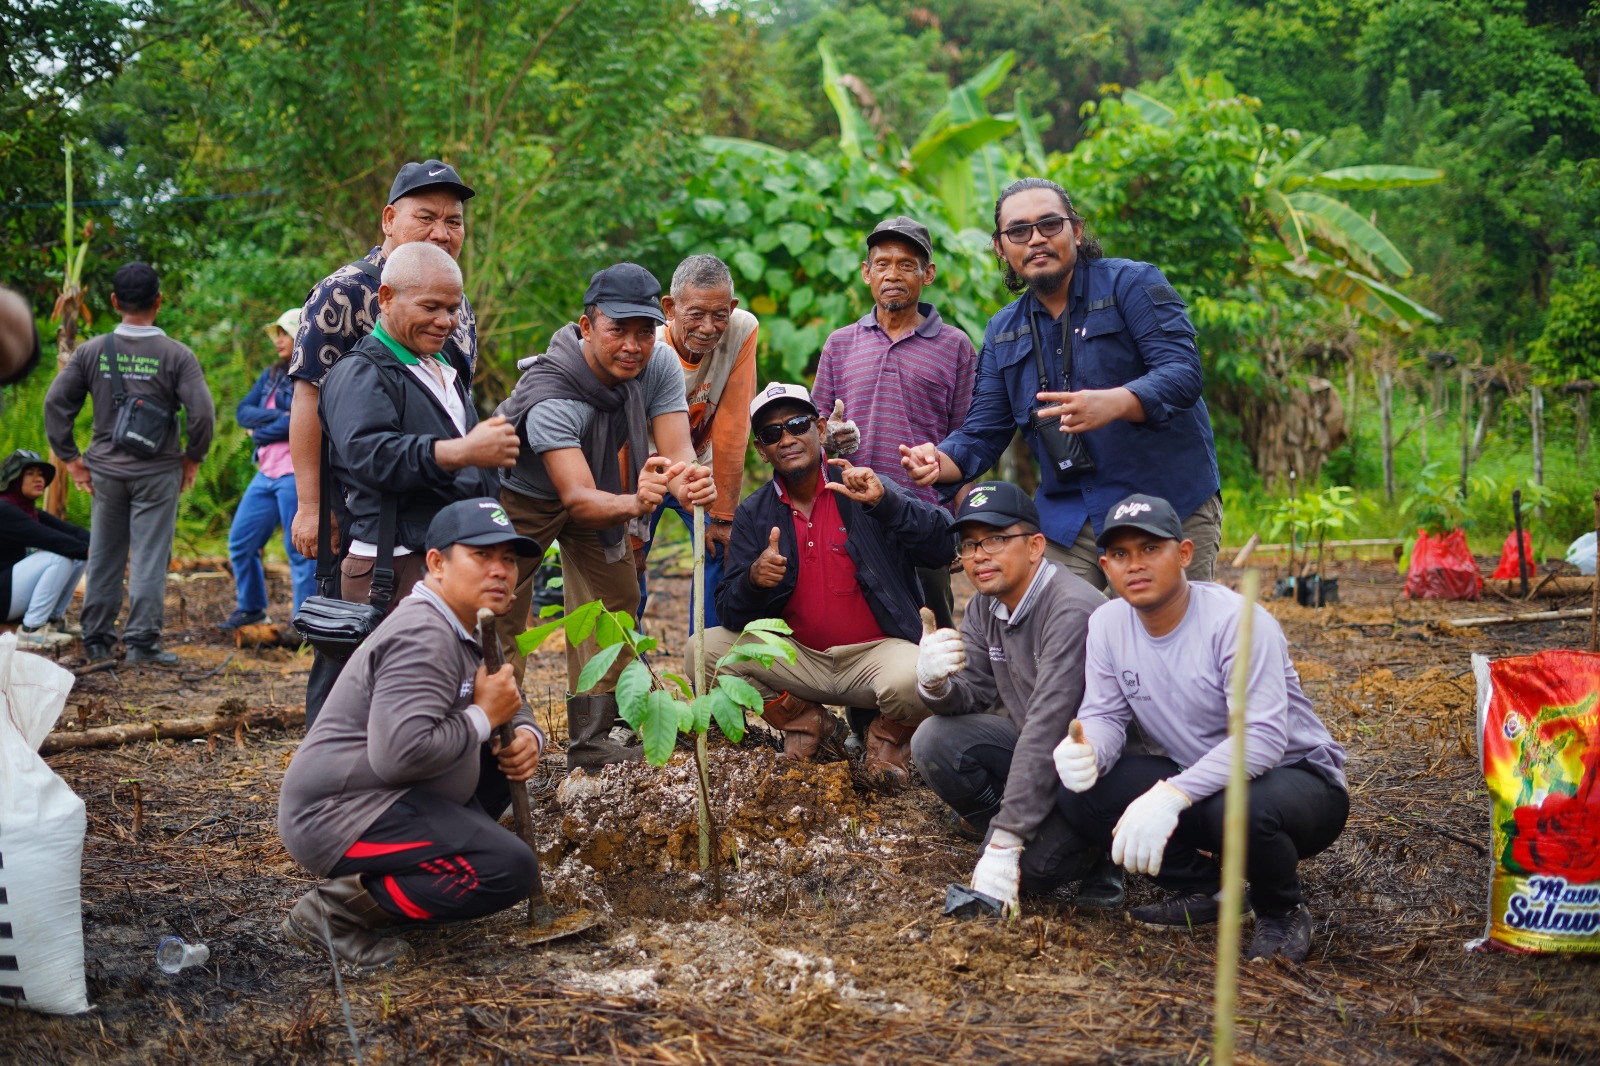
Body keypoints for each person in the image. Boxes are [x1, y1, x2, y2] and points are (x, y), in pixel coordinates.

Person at [1054, 494, 1349, 963]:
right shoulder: (1107, 623)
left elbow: (1262, 740)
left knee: (1239, 808)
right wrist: (1089, 750)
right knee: (1080, 793)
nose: (1136, 564)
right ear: (1105, 566)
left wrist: (1172, 795)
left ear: (1185, 554)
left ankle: (1282, 910)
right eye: (1122, 554)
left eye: (1151, 549)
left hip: (1298, 781)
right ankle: (1211, 891)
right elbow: (1105, 715)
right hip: (1204, 778)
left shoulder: (1235, 622)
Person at [900, 178, 1223, 592]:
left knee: (1163, 628)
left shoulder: (1133, 284)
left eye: (1050, 224)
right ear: (1000, 247)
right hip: (1070, 517)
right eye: (1019, 231)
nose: (1036, 239)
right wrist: (937, 460)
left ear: (1077, 230)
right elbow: (982, 432)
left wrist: (1117, 402)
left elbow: (1183, 372)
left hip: (1165, 500)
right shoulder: (1003, 329)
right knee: (1047, 620)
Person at [277, 497, 545, 975]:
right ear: (437, 563)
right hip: (337, 816)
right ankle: (333, 913)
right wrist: (483, 716)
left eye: (508, 558)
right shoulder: (423, 634)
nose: (500, 570)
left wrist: (525, 733)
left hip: (394, 795)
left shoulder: (470, 624)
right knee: (508, 868)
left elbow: (507, 696)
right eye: (482, 555)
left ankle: (411, 883)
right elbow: (400, 755)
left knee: (497, 754)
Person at [493, 262, 715, 769]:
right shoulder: (553, 395)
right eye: (618, 330)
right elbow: (576, 499)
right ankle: (499, 736)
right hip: (523, 494)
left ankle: (594, 737)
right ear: (587, 327)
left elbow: (676, 449)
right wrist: (637, 502)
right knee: (502, 607)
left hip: (598, 483)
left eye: (644, 332)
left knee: (616, 598)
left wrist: (688, 480)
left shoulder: (657, 363)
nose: (633, 346)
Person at [707, 383, 955, 785]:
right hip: (800, 659)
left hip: (876, 656)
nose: (786, 438)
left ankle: (887, 741)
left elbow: (942, 545)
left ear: (820, 429)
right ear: (761, 450)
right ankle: (808, 724)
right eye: (772, 433)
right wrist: (753, 581)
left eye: (797, 424)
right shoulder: (754, 512)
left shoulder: (861, 487)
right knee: (705, 651)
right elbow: (729, 610)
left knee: (922, 674)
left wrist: (886, 504)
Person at [910, 480, 1122, 917]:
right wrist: (934, 684)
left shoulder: (1070, 609)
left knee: (1034, 872)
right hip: (1038, 747)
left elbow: (1048, 727)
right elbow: (974, 692)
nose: (979, 556)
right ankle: (1017, 825)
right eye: (970, 545)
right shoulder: (986, 604)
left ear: (1035, 546)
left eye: (995, 540)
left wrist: (1004, 845)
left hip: (1095, 769)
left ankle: (1102, 852)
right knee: (934, 740)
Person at [286, 159, 479, 562]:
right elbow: (309, 396)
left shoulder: (457, 301)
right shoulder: (343, 292)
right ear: (389, 220)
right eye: (426, 218)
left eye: (454, 222)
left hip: (442, 506)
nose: (441, 233)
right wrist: (312, 506)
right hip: (364, 511)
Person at [318, 242, 519, 628]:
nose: (445, 322)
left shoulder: (444, 368)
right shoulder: (360, 371)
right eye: (430, 308)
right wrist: (463, 451)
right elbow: (371, 456)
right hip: (392, 565)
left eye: (453, 309)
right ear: (386, 298)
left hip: (447, 557)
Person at [44, 262, 215, 665]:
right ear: (159, 301)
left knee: (104, 554)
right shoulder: (177, 355)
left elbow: (55, 404)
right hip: (158, 472)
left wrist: (71, 460)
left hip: (105, 472)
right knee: (150, 557)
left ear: (114, 301)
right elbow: (203, 415)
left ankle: (97, 641)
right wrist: (192, 459)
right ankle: (141, 643)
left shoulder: (91, 351)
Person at [811, 215, 976, 629]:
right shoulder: (840, 344)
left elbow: (969, 442)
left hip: (924, 519)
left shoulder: (955, 345)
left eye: (906, 265)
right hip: (851, 516)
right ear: (866, 273)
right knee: (853, 632)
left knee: (933, 638)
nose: (893, 275)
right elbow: (814, 430)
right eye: (882, 264)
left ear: (928, 274)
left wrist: (965, 527)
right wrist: (827, 437)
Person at [637, 254, 758, 632]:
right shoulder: (646, 345)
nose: (708, 327)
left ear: (732, 309)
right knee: (627, 561)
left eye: (719, 315)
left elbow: (734, 426)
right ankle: (628, 661)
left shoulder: (741, 330)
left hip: (699, 465)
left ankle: (704, 657)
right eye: (696, 314)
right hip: (644, 465)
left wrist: (724, 515)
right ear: (670, 309)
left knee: (719, 548)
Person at [222, 308, 315, 629]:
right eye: (276, 333)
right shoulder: (272, 375)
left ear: (301, 335)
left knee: (299, 550)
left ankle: (304, 623)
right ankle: (251, 608)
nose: (278, 339)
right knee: (241, 542)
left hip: (295, 474)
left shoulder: (311, 374)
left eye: (284, 333)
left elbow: (302, 422)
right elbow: (243, 412)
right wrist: (280, 418)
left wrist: (261, 432)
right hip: (266, 473)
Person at [0, 450, 89, 649]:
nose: (38, 479)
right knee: (60, 556)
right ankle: (31, 630)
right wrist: (95, 552)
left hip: (8, 593)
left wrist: (104, 546)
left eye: (41, 474)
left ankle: (53, 620)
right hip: (3, 597)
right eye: (30, 473)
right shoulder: (4, 510)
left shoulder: (28, 510)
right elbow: (51, 539)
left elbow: (74, 532)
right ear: (13, 479)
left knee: (77, 555)